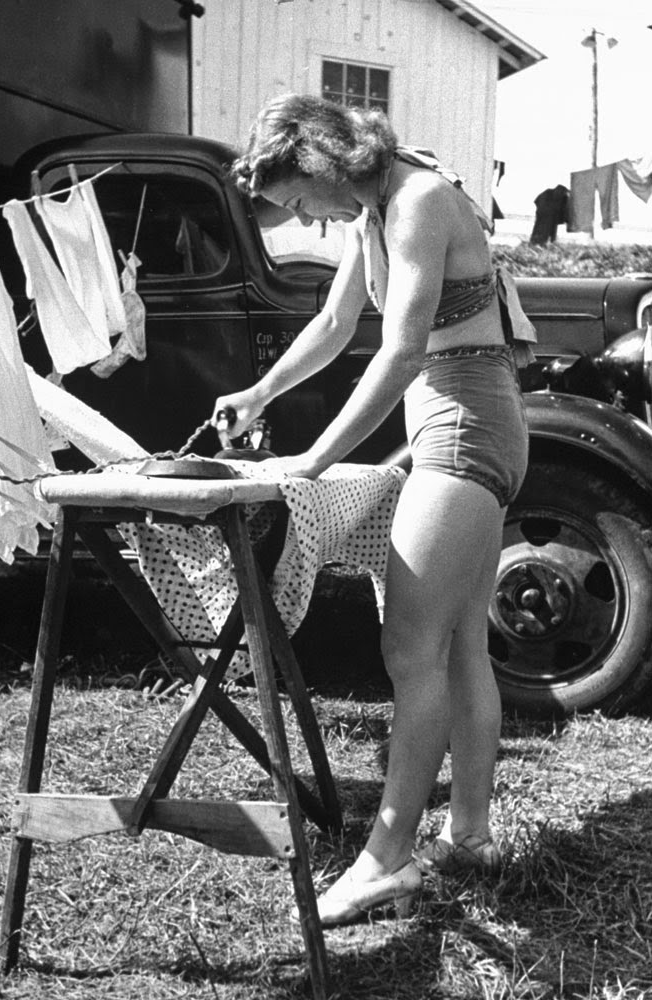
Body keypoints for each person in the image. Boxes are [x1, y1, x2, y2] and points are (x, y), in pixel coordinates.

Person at [211, 94, 529, 927]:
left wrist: (312, 461)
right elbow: (332, 321)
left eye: (296, 199)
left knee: (408, 646)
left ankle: (384, 862)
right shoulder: (375, 208)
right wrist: (259, 392)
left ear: (321, 164)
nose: (303, 219)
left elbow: (401, 350)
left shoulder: (418, 200)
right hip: (464, 420)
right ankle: (468, 836)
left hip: (463, 423)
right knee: (459, 644)